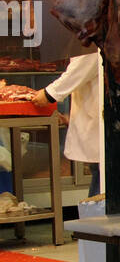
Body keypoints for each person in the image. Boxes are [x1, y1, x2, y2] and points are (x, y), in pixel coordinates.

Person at [31, 48, 102, 197]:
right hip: (93, 114)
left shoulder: (91, 43)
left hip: (101, 118)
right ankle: (95, 216)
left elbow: (81, 68)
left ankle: (97, 217)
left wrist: (49, 94)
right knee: (99, 172)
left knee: (102, 176)